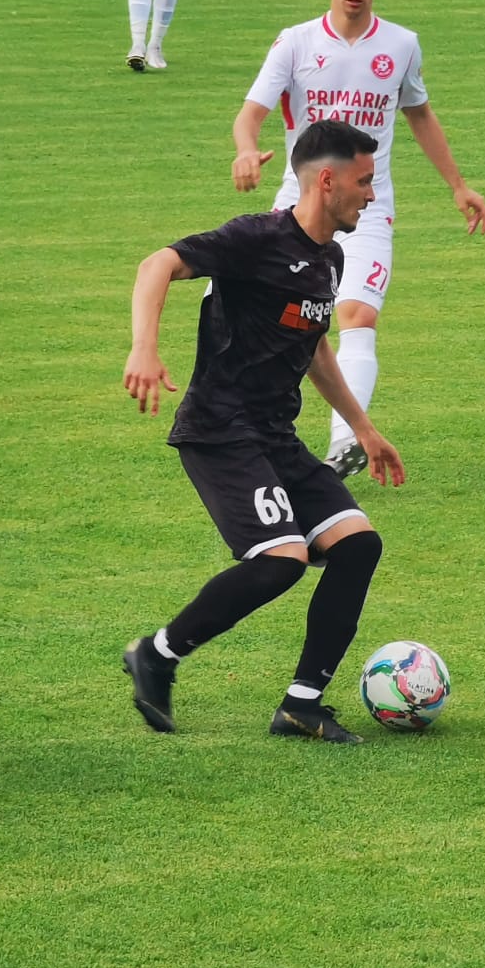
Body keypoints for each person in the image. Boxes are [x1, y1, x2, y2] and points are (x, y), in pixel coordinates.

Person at [122, 121, 404, 744]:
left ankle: (302, 705)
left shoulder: (329, 257)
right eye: (364, 181)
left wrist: (362, 426)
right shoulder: (255, 238)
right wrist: (144, 347)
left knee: (359, 545)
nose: (371, 194)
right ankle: (158, 654)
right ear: (326, 180)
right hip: (221, 432)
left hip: (275, 436)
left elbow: (315, 346)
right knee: (282, 561)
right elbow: (157, 264)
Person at [231, 0, 485, 478]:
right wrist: (246, 151)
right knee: (287, 321)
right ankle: (248, 424)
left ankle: (346, 442)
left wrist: (458, 185)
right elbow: (251, 111)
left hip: (369, 208)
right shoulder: (296, 42)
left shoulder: (401, 45)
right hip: (299, 207)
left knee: (356, 314)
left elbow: (419, 113)